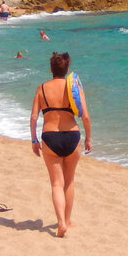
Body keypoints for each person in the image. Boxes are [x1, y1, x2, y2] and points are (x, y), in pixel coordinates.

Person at [30, 51, 91, 238]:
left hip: (50, 137)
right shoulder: (74, 89)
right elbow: (85, 116)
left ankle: (61, 223)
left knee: (57, 183)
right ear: (67, 70)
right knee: (69, 181)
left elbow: (33, 117)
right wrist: (88, 138)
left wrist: (34, 140)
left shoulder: (41, 88)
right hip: (72, 136)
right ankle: (68, 220)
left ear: (51, 69)